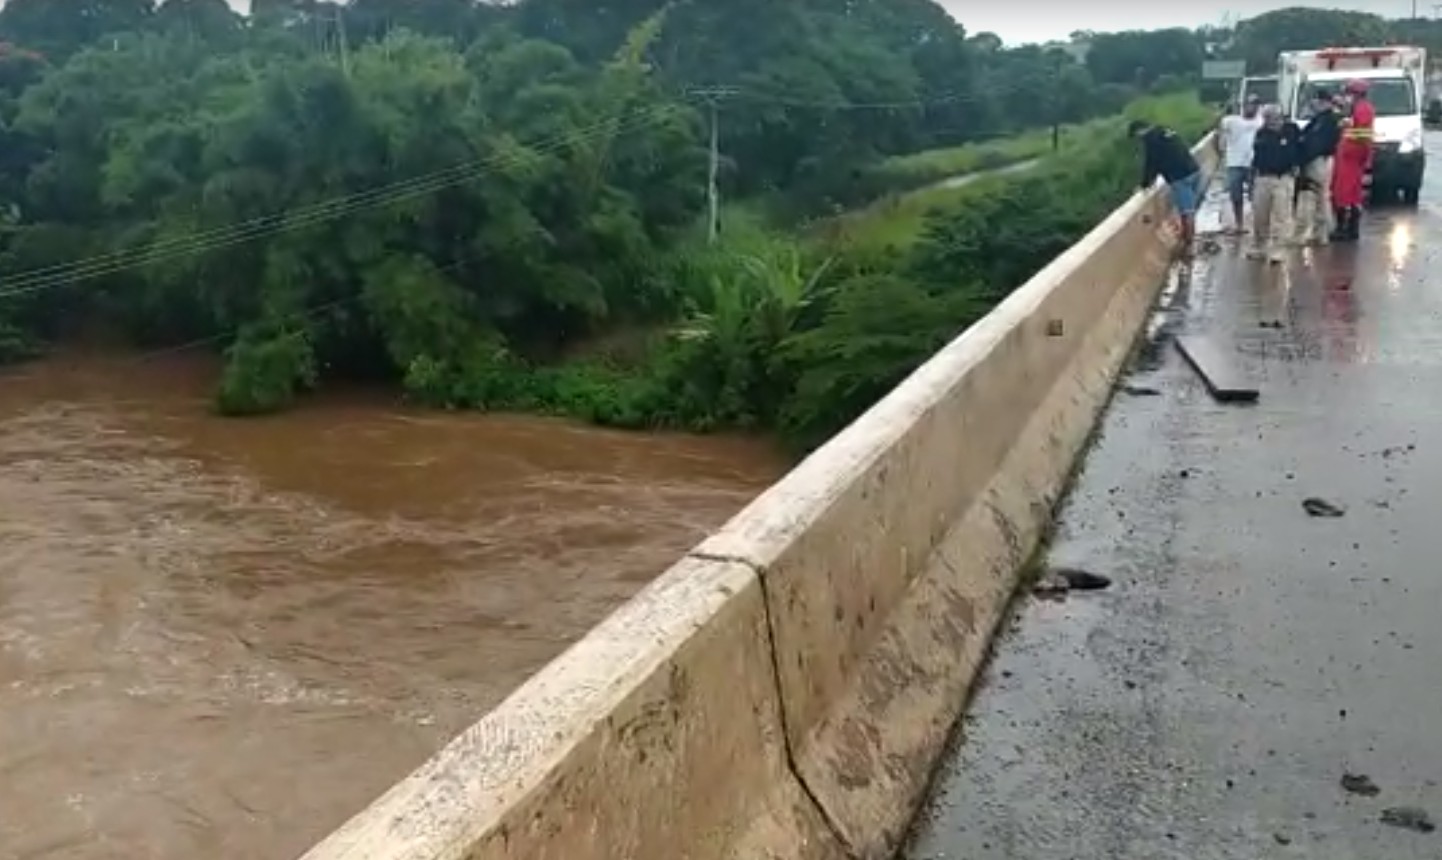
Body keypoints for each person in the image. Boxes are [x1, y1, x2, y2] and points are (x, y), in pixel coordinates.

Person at [1130, 118, 1203, 253]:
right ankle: (1188, 238)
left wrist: (1144, 184)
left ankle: (1189, 246)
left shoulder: (1150, 138)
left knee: (1187, 213)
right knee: (1189, 210)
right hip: (1194, 171)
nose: (1139, 139)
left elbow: (1151, 163)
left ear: (1139, 131)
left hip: (1180, 177)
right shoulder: (1165, 130)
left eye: (1136, 136)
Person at [1247, 104, 1302, 264]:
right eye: (1268, 118)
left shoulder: (1291, 130)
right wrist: (1251, 179)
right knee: (1260, 215)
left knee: (1281, 215)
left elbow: (1300, 149)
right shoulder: (1261, 134)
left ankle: (1279, 249)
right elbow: (1255, 157)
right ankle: (1259, 247)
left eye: (1274, 118)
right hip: (1263, 177)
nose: (1271, 122)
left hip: (1283, 178)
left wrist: (1297, 166)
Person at [1331, 79, 1375, 242]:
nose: (1346, 97)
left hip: (1352, 156)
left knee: (1345, 193)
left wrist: (1346, 127)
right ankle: (1347, 227)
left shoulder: (1363, 109)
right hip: (1350, 155)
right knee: (1350, 193)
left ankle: (1346, 228)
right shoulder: (1358, 108)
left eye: (1348, 93)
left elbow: (1362, 135)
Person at [1296, 87, 1341, 245]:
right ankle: (1318, 232)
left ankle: (1324, 232)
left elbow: (1318, 143)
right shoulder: (1319, 119)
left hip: (1321, 160)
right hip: (1318, 160)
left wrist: (1304, 156)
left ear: (1324, 102)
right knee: (1318, 197)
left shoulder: (1328, 120)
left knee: (1321, 196)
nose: (1315, 103)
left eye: (1318, 100)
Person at [1217, 95, 1263, 234]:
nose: (1252, 107)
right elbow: (1218, 135)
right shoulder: (1231, 121)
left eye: (1255, 104)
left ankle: (1258, 225)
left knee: (1256, 196)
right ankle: (1239, 224)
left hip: (1253, 164)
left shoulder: (1260, 121)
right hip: (1234, 164)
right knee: (1235, 196)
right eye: (1249, 104)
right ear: (1244, 106)